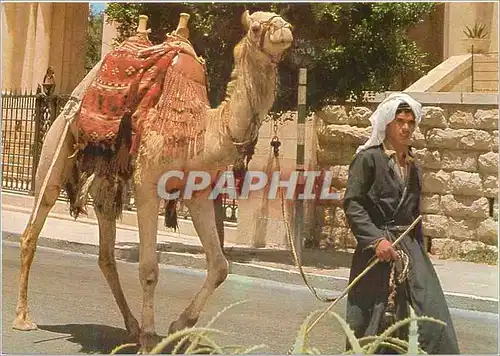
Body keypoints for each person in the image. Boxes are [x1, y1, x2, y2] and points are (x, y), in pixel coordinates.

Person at [343, 93, 460, 354]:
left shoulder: (413, 165)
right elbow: (353, 204)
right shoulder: (368, 159)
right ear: (387, 123)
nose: (406, 127)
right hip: (377, 250)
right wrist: (375, 241)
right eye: (400, 121)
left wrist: (419, 252)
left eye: (410, 122)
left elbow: (414, 214)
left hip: (410, 250)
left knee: (430, 312)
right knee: (376, 317)